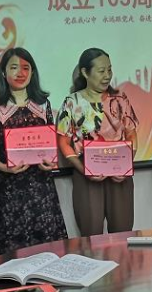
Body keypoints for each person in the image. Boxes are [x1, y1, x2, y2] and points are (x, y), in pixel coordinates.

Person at [0, 47, 68, 256]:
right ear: (3, 72)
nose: (20, 73)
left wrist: (51, 161)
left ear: (33, 72)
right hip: (10, 187)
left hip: (41, 185)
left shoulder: (43, 104)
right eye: (14, 68)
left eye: (26, 68)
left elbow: (49, 141)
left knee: (48, 246)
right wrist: (2, 167)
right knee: (15, 250)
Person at [56, 48, 138, 236]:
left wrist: (126, 164)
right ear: (85, 72)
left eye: (109, 69)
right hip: (86, 175)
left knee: (122, 232)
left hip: (119, 174)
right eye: (101, 71)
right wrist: (83, 168)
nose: (107, 75)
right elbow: (64, 143)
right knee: (91, 233)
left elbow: (132, 135)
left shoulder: (120, 99)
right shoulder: (72, 102)